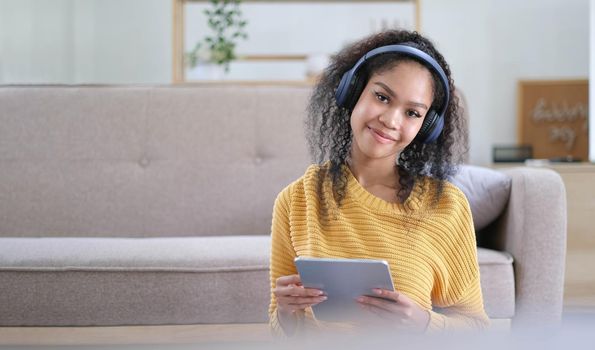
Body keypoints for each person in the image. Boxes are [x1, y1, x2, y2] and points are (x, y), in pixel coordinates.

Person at [269, 29, 489, 337]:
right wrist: (286, 312)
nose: (391, 120)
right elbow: (281, 335)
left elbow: (477, 330)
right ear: (353, 90)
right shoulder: (297, 200)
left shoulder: (446, 205)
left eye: (412, 112)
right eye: (382, 97)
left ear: (425, 128)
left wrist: (423, 323)